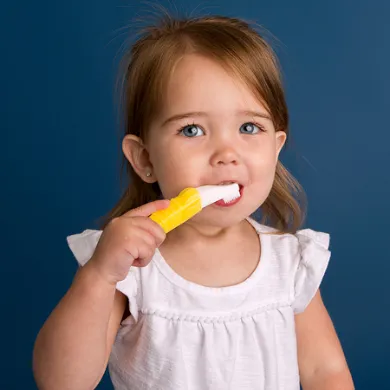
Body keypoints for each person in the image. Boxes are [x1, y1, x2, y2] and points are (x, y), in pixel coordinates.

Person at [33, 14, 354, 390]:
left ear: (276, 148)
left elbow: (325, 371)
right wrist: (99, 276)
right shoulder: (128, 269)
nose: (226, 153)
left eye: (249, 128)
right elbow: (61, 382)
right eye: (192, 130)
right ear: (145, 159)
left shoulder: (289, 261)